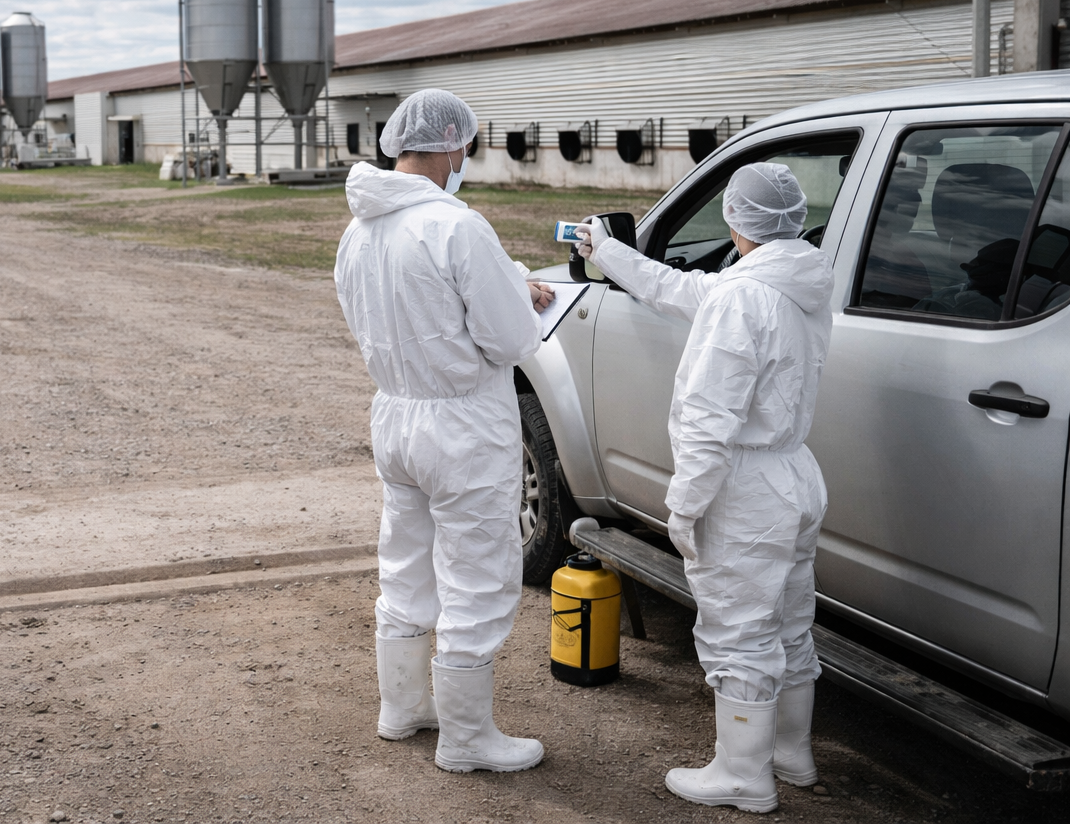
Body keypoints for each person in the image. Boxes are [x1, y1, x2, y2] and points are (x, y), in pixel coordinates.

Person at [576, 163, 834, 813]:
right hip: (794, 474)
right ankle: (789, 753)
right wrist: (608, 253)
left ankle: (743, 777)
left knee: (739, 631)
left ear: (732, 219)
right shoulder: (793, 280)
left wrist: (685, 506)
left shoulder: (741, 298)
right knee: (788, 621)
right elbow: (685, 290)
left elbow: (706, 418)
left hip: (744, 485)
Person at [334, 88, 554, 773]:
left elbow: (402, 304)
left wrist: (507, 278)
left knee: (405, 560)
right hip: (462, 423)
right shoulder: (458, 225)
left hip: (396, 413)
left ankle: (402, 708)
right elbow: (510, 337)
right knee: (479, 573)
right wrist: (517, 293)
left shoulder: (360, 226)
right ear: (455, 145)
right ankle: (467, 738)